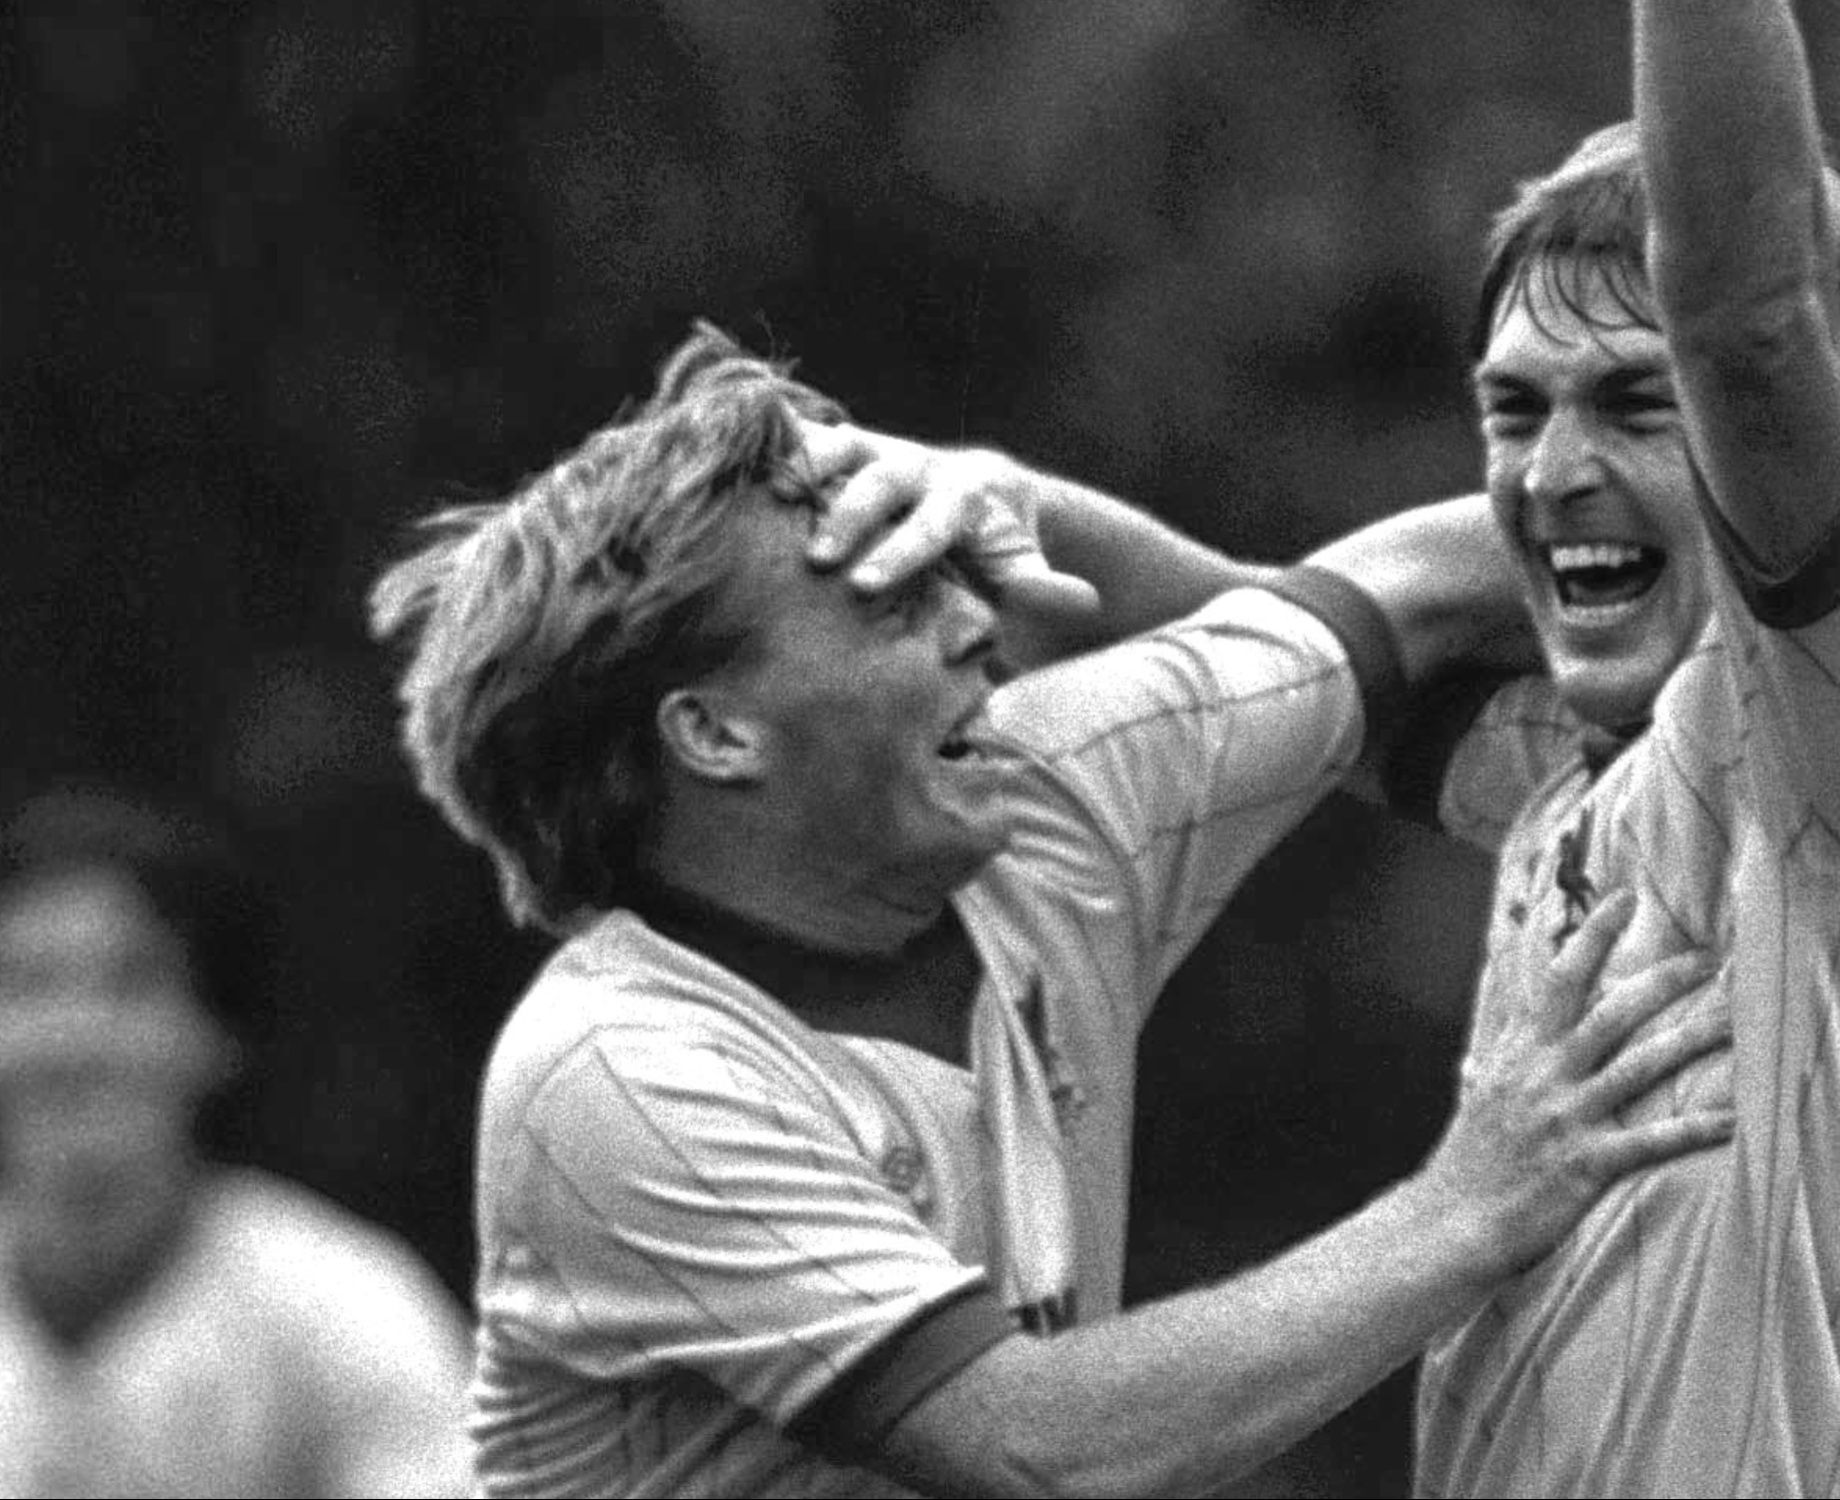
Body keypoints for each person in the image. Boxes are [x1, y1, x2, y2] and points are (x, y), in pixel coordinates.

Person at [816, 5, 1840, 1493]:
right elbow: (1304, 673)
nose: (1552, 468)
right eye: (1512, 410)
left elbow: (1754, 319)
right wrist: (1023, 505)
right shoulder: (1597, 759)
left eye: (1636, 403)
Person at [367, 323, 1735, 1497]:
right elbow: (1039, 1454)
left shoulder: (1039, 793)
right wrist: (1478, 1198)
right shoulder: (625, 1076)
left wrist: (1030, 498)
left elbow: (1441, 588)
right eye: (887, 602)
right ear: (713, 733)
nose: (975, 623)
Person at [0, 781, 475, 1497]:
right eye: (29, 984)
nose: (76, 1038)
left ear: (216, 1032)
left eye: (130, 986)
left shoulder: (341, 1308)